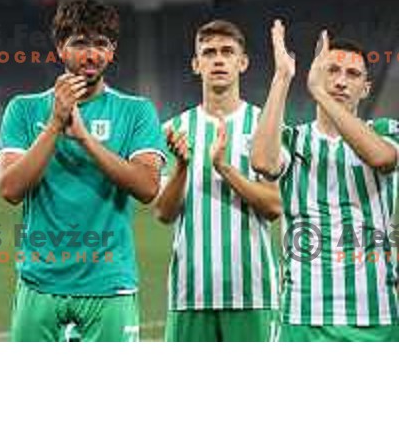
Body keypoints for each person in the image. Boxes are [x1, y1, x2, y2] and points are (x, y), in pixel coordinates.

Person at [0, 0, 166, 342]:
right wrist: (56, 124)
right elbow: (10, 189)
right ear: (60, 48)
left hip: (108, 284)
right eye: (80, 43)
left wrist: (86, 139)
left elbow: (148, 188)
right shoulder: (25, 109)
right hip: (39, 284)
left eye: (101, 44)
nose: (91, 54)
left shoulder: (136, 111)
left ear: (113, 51)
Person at [251, 20, 399, 341]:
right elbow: (263, 161)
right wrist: (283, 76)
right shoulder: (294, 139)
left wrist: (319, 91)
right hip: (304, 316)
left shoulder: (386, 131)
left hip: (375, 317)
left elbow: (383, 160)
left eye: (352, 74)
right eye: (331, 71)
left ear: (366, 88)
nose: (341, 81)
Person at [154, 20, 281, 342]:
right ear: (197, 65)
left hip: (252, 292)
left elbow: (273, 206)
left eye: (227, 52)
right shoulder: (175, 128)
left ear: (243, 62)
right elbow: (164, 213)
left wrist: (224, 168)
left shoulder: (262, 125)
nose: (218, 59)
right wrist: (183, 165)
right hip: (190, 292)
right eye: (209, 53)